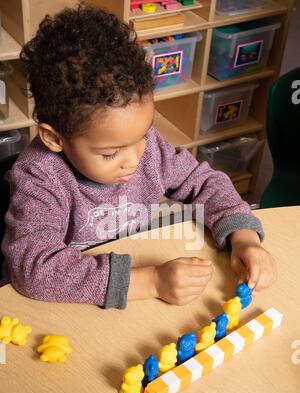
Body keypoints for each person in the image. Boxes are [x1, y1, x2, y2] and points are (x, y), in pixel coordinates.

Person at [1, 5, 276, 309]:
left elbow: (204, 181)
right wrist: (151, 281)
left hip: (129, 296)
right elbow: (34, 270)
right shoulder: (40, 176)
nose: (135, 159)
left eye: (142, 136)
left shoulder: (148, 149)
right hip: (66, 308)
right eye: (110, 153)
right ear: (54, 138)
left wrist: (244, 237)